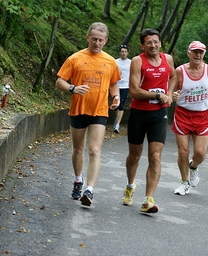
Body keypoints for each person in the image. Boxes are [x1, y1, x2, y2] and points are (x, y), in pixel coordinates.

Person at [55, 22, 121, 206]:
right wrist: (72, 88)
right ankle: (78, 180)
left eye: (100, 40)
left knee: (94, 150)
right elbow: (59, 81)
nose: (97, 43)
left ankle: (89, 190)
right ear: (88, 38)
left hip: (99, 111)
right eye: (94, 39)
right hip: (78, 110)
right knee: (78, 149)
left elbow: (114, 82)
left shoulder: (110, 61)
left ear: (106, 41)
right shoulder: (75, 58)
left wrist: (115, 97)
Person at [121, 28, 176, 213]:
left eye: (155, 41)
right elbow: (134, 91)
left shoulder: (167, 59)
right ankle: (130, 186)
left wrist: (168, 93)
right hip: (139, 113)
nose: (153, 45)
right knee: (135, 156)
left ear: (160, 43)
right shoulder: (138, 61)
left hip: (159, 115)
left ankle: (148, 199)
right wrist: (157, 94)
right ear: (142, 45)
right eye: (149, 42)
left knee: (155, 156)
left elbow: (174, 76)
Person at [171, 41, 208, 196]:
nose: (198, 55)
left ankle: (193, 167)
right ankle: (184, 182)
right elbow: (170, 91)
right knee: (183, 151)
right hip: (183, 115)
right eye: (195, 52)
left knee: (200, 153)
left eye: (201, 52)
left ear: (204, 54)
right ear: (189, 53)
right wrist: (172, 95)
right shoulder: (180, 71)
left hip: (202, 116)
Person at [113, 44, 132, 133]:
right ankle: (116, 119)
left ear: (127, 53)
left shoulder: (131, 62)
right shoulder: (115, 62)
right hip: (116, 85)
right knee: (116, 104)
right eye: (122, 51)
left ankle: (117, 125)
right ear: (120, 52)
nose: (124, 53)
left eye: (125, 52)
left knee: (121, 105)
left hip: (125, 86)